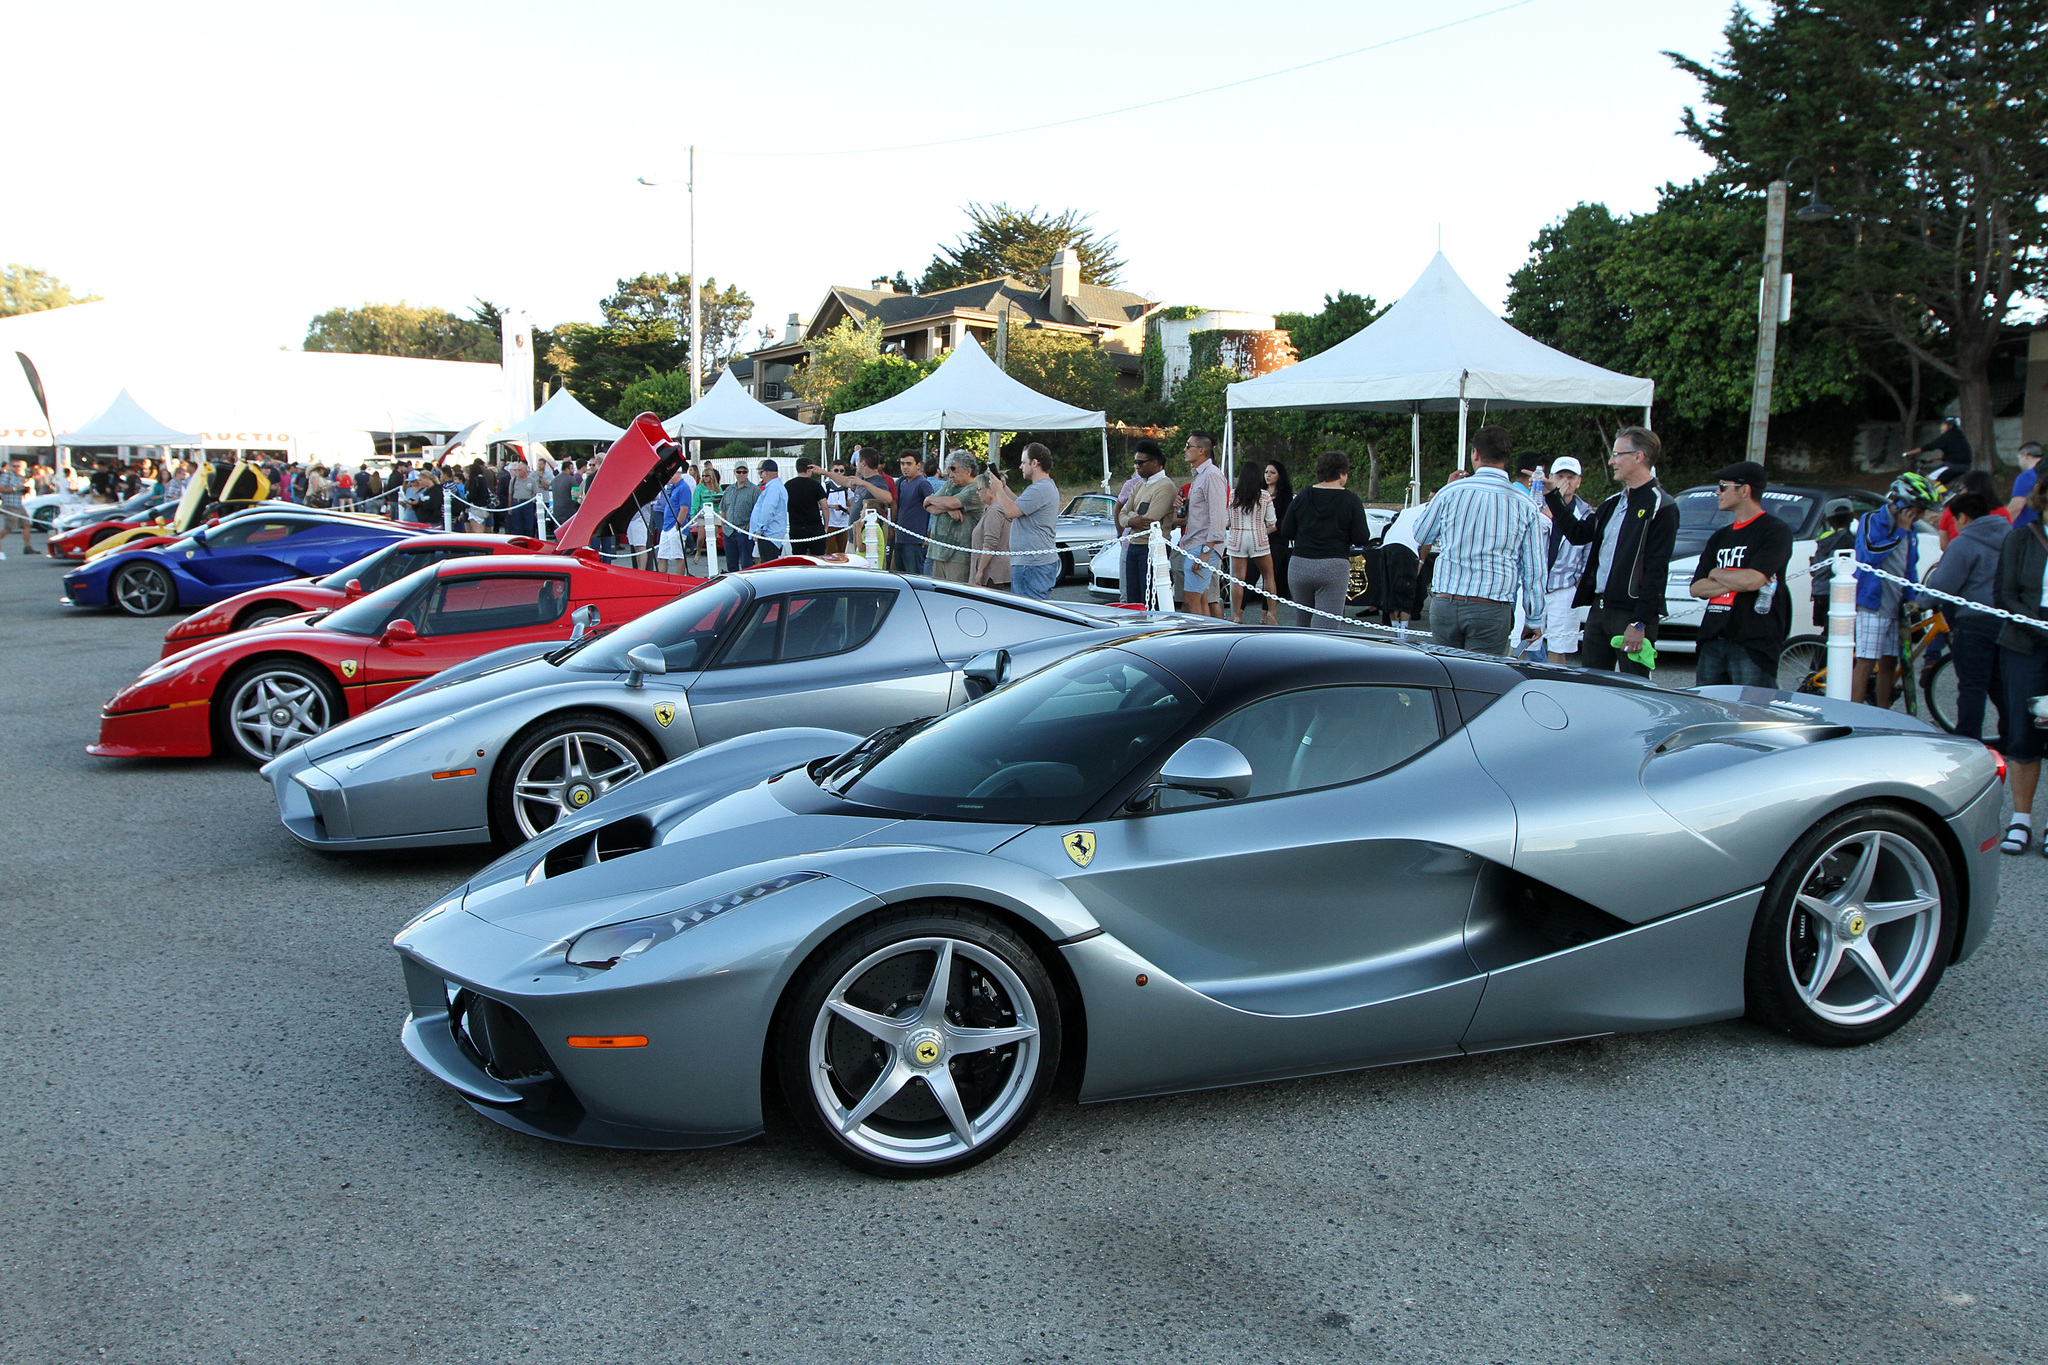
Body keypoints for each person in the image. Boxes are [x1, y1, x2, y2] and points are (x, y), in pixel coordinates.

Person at [1553, 426, 1679, 677]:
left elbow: (1657, 568)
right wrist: (1552, 497)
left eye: (1618, 454)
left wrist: (1640, 621)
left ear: (1639, 456)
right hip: (1600, 608)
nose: (1611, 461)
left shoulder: (1660, 506)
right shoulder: (1613, 503)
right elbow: (1579, 534)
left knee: (1634, 688)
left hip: (1631, 614)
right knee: (1592, 684)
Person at [1412, 425, 1547, 656]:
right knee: (1481, 681)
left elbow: (1421, 534)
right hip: (1492, 606)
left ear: (1475, 453)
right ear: (1506, 457)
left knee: (1444, 676)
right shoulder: (1525, 505)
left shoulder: (1450, 492)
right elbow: (1535, 569)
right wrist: (1534, 616)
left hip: (1447, 600)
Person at [1689, 461, 1794, 688]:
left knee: (1752, 716)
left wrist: (1716, 573)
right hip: (1713, 637)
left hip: (1753, 641)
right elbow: (1697, 588)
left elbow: (1754, 580)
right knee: (1709, 713)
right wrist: (1737, 580)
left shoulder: (1774, 530)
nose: (1717, 492)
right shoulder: (1720, 537)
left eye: (1723, 486)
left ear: (1745, 490)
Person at [1924, 490, 2008, 745]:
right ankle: (2013, 736)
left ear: (1963, 517)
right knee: (1999, 683)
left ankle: (1967, 743)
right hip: (2007, 620)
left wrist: (1920, 603)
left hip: (1973, 623)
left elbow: (1943, 584)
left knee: (1972, 686)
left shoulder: (1963, 543)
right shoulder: (2010, 535)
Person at [1994, 480, 2048, 853]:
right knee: (2023, 730)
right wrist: (2034, 623)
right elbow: (2004, 594)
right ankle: (2021, 819)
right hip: (2026, 641)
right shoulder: (2021, 539)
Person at [1852, 472, 1936, 708]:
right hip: (1872, 603)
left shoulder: (1912, 532)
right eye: (1918, 510)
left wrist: (1913, 600)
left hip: (1896, 604)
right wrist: (1899, 530)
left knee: (1890, 663)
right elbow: (1869, 555)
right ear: (1901, 504)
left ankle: (1882, 712)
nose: (1919, 516)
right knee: (1867, 661)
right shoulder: (1872, 520)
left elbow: (1910, 568)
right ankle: (1855, 712)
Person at [1277, 450, 1375, 627]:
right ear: (1342, 474)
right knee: (1327, 625)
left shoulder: (1303, 495)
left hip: (1300, 564)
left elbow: (1286, 530)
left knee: (1303, 621)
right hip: (1333, 565)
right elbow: (1361, 537)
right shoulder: (1351, 500)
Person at [985, 443, 1060, 599]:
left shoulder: (1039, 489)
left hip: (1031, 565)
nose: (1020, 467)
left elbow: (1012, 511)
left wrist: (998, 490)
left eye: (1024, 462)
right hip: (1033, 563)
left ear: (1035, 463)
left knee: (1030, 614)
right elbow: (1020, 505)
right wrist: (1004, 488)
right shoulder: (1043, 487)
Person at [1537, 455, 1592, 663]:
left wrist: (1576, 586)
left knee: (1559, 648)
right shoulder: (1534, 506)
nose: (1565, 481)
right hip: (1533, 586)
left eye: (1571, 477)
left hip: (1564, 588)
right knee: (1520, 642)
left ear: (1579, 481)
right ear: (1551, 477)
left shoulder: (1585, 513)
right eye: (1560, 476)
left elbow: (1588, 555)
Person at [1117, 441, 1176, 607]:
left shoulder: (1166, 486)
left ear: (1155, 463)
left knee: (1150, 599)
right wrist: (1132, 519)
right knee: (1133, 600)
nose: (1137, 466)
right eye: (1135, 462)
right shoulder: (1139, 484)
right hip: (1134, 545)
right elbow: (1122, 512)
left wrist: (1130, 518)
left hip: (1152, 548)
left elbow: (1150, 520)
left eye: (1140, 463)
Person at [1177, 434, 1229, 617]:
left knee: (1191, 603)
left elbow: (1219, 515)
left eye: (1188, 445)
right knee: (1199, 599)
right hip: (1194, 543)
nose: (1185, 449)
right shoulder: (1200, 475)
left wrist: (1207, 551)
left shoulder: (1212, 475)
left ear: (1201, 450)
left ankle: (1199, 641)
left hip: (1202, 546)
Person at [1225, 457, 1278, 624]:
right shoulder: (1264, 495)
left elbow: (1226, 522)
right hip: (1258, 536)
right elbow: (1272, 523)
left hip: (1237, 537)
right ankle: (1272, 614)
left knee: (1237, 578)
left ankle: (1237, 615)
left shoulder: (1232, 495)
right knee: (1268, 576)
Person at [922, 452, 984, 584]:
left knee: (955, 594)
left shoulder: (975, 488)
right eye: (949, 469)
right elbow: (928, 506)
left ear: (968, 471)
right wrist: (948, 509)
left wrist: (936, 500)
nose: (950, 475)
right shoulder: (949, 484)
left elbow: (950, 502)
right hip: (938, 551)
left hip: (959, 555)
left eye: (954, 469)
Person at [1938, 469, 2009, 547]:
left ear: (1967, 489)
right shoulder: (2003, 512)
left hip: (1961, 555)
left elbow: (1943, 544)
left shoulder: (1952, 510)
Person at [970, 463, 1013, 588]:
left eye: (980, 489)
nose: (977, 492)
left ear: (990, 490)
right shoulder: (998, 509)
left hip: (991, 574)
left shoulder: (994, 512)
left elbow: (990, 544)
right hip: (997, 572)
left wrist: (980, 571)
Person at [893, 452, 933, 575]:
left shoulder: (923, 483)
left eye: (909, 464)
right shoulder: (901, 482)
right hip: (900, 539)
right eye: (902, 463)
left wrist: (928, 536)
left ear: (918, 465)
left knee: (915, 577)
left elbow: (933, 508)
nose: (905, 467)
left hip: (915, 541)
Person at [784, 457, 829, 554]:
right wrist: (825, 526)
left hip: (796, 528)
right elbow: (825, 506)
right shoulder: (816, 485)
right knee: (818, 558)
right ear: (809, 469)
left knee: (799, 559)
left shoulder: (788, 485)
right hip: (814, 527)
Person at [722, 464, 759, 573]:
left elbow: (758, 510)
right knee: (731, 564)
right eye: (739, 472)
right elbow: (723, 509)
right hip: (729, 532)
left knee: (746, 564)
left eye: (744, 472)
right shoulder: (729, 490)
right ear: (734, 472)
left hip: (744, 531)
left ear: (748, 473)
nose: (741, 474)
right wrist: (723, 526)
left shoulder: (754, 490)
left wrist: (750, 527)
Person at [749, 458, 788, 560]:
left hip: (768, 535)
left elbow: (768, 510)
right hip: (771, 534)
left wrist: (759, 530)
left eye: (760, 473)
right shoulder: (777, 486)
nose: (761, 476)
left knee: (767, 565)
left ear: (765, 473)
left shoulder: (773, 488)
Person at [1903, 415, 1973, 472]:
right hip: (1965, 465)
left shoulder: (1947, 436)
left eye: (1943, 425)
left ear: (1950, 426)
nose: (1941, 427)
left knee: (1930, 479)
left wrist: (1909, 453)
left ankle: (1943, 490)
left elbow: (1929, 446)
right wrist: (1932, 459)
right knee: (1937, 482)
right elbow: (1953, 454)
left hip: (1953, 465)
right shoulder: (1959, 435)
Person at [655, 468, 692, 575]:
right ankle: (661, 580)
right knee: (662, 556)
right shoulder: (673, 488)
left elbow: (684, 509)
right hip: (667, 526)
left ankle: (680, 578)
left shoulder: (683, 488)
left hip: (674, 526)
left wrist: (678, 526)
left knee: (678, 556)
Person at [688, 465, 722, 572]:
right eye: (703, 475)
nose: (705, 477)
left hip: (714, 513)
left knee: (713, 536)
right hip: (703, 514)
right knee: (701, 536)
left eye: (707, 475)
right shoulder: (699, 487)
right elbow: (695, 501)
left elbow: (721, 498)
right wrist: (693, 514)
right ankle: (698, 550)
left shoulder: (717, 487)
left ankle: (711, 555)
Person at [0, 456, 34, 556]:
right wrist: (15, 489)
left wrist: (24, 489)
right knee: (10, 527)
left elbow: (20, 488)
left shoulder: (19, 477)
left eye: (18, 466)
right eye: (14, 466)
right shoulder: (7, 476)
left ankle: (27, 547)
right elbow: (1, 489)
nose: (17, 468)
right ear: (10, 467)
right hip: (10, 505)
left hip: (18, 504)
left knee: (26, 524)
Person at [2008, 442, 2043, 529]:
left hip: (2027, 530)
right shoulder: (2043, 475)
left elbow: (2017, 506)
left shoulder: (2026, 476)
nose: (2019, 462)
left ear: (2026, 456)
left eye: (2019, 458)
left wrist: (2003, 525)